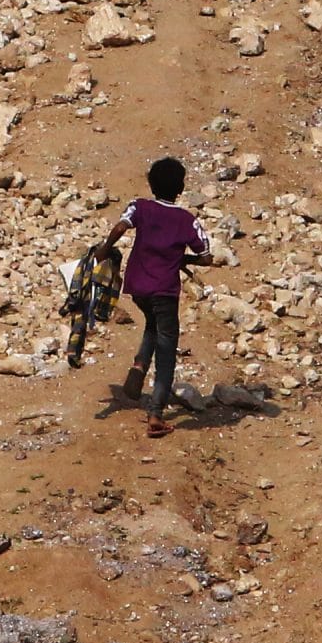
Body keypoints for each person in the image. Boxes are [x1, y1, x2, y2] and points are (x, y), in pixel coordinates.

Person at [100, 156, 218, 436]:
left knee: (151, 322)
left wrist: (104, 249)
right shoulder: (186, 221)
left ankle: (140, 364)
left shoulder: (139, 206)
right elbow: (207, 258)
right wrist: (183, 260)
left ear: (151, 184)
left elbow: (121, 227)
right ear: (180, 188)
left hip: (138, 286)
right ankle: (156, 415)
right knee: (166, 350)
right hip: (165, 290)